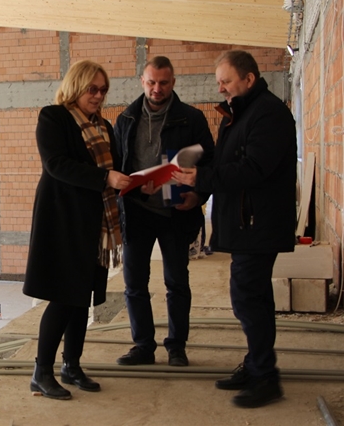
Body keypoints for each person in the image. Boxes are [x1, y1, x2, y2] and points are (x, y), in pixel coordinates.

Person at [173, 50, 297, 408]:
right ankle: (256, 364)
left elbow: (253, 169)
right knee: (255, 298)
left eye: (226, 81)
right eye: (219, 82)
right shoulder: (243, 113)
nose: (221, 88)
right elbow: (225, 164)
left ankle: (265, 377)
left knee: (247, 299)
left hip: (257, 224)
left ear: (249, 79)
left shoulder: (268, 114)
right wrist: (199, 189)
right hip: (248, 224)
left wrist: (201, 177)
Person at [23, 60, 132, 400]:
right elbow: (56, 164)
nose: (98, 96)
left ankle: (71, 365)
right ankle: (41, 372)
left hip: (95, 225)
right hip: (63, 221)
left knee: (81, 298)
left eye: (103, 90)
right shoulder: (54, 117)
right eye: (92, 89)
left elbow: (115, 168)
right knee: (63, 297)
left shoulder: (104, 126)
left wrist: (134, 180)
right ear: (76, 86)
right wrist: (106, 178)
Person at [113, 56, 215, 367]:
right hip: (137, 211)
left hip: (176, 212)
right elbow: (118, 165)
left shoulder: (191, 119)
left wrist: (198, 196)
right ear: (142, 82)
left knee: (177, 282)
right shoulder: (126, 119)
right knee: (134, 284)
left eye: (164, 83)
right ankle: (143, 346)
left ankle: (176, 347)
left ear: (173, 83)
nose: (157, 89)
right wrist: (132, 187)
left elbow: (210, 164)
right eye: (151, 82)